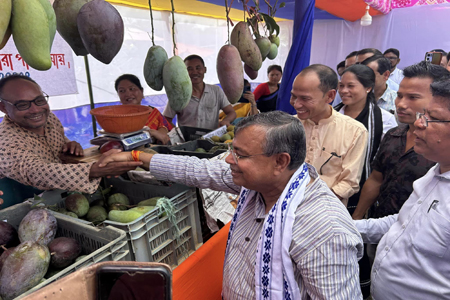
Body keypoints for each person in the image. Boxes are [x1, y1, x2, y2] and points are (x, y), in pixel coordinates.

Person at [98, 111, 364, 299]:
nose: (228, 160)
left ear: (280, 162)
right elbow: (197, 169)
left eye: (241, 155)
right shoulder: (257, 184)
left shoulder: (323, 228)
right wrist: (136, 155)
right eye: (232, 150)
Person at [354, 78, 450, 299]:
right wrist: (349, 226)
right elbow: (404, 222)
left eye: (433, 118)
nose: (418, 123)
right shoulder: (435, 172)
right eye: (423, 115)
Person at [0, 75, 142, 194]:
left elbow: (60, 141)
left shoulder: (48, 118)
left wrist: (70, 144)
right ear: (3, 108)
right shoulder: (5, 142)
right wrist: (92, 170)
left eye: (39, 100)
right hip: (23, 204)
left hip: (63, 195)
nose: (36, 110)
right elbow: (36, 172)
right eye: (23, 105)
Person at [290, 64, 368, 206]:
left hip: (325, 211)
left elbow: (349, 183)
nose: (296, 104)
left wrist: (309, 203)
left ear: (330, 96)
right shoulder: (289, 125)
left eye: (305, 99)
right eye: (293, 96)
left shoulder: (355, 131)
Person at [335, 64, 397, 213]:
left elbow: (382, 165)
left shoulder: (384, 120)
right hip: (330, 187)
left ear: (368, 88)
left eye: (351, 86)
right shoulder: (333, 114)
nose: (344, 91)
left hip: (363, 189)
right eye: (341, 86)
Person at [162, 55, 236, 130]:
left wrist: (226, 120)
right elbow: (165, 119)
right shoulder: (178, 95)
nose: (194, 72)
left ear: (205, 70)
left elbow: (231, 112)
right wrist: (178, 133)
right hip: (188, 141)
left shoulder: (216, 91)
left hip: (212, 139)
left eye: (198, 68)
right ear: (184, 72)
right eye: (189, 69)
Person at [115, 74, 172, 144]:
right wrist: (150, 133)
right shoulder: (116, 118)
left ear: (141, 91)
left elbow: (169, 133)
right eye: (122, 91)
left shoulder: (152, 112)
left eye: (132, 89)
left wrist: (161, 131)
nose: (128, 93)